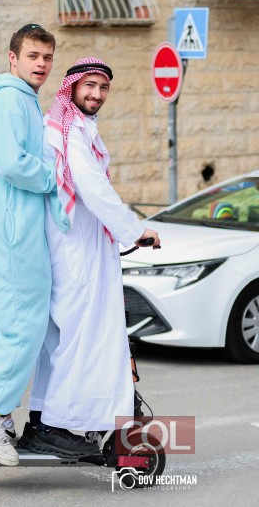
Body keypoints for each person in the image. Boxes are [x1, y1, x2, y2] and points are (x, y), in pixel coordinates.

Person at [24, 58, 161, 457]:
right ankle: (53, 426)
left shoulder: (75, 126)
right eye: (90, 85)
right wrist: (135, 230)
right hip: (77, 252)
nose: (97, 94)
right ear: (72, 87)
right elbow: (93, 187)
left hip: (79, 248)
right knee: (80, 339)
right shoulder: (68, 130)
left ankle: (42, 420)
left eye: (103, 88)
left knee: (62, 340)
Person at [0, 24, 68, 467]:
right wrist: (56, 177)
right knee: (25, 324)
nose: (41, 64)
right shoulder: (13, 99)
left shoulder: (13, 97)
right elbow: (11, 163)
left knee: (4, 326)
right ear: (13, 58)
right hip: (9, 231)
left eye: (47, 57)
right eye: (33, 56)